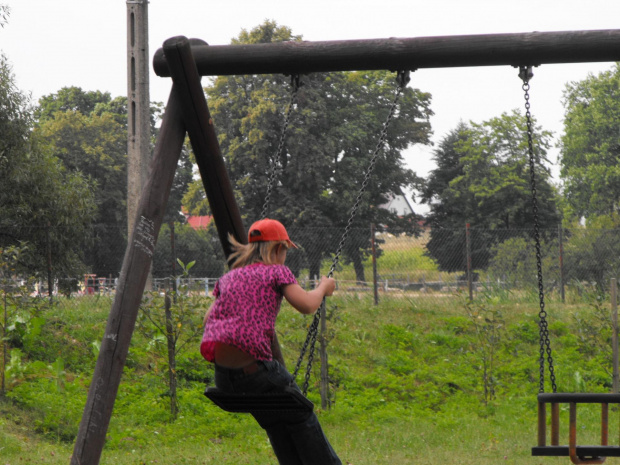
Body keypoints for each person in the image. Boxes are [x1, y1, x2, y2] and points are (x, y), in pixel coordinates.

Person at [200, 218, 341, 465]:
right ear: (278, 249)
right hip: (256, 373)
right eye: (285, 250)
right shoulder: (277, 271)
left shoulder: (229, 277)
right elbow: (307, 305)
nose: (285, 256)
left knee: (275, 418)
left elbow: (208, 318)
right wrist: (323, 287)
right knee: (301, 413)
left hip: (223, 378)